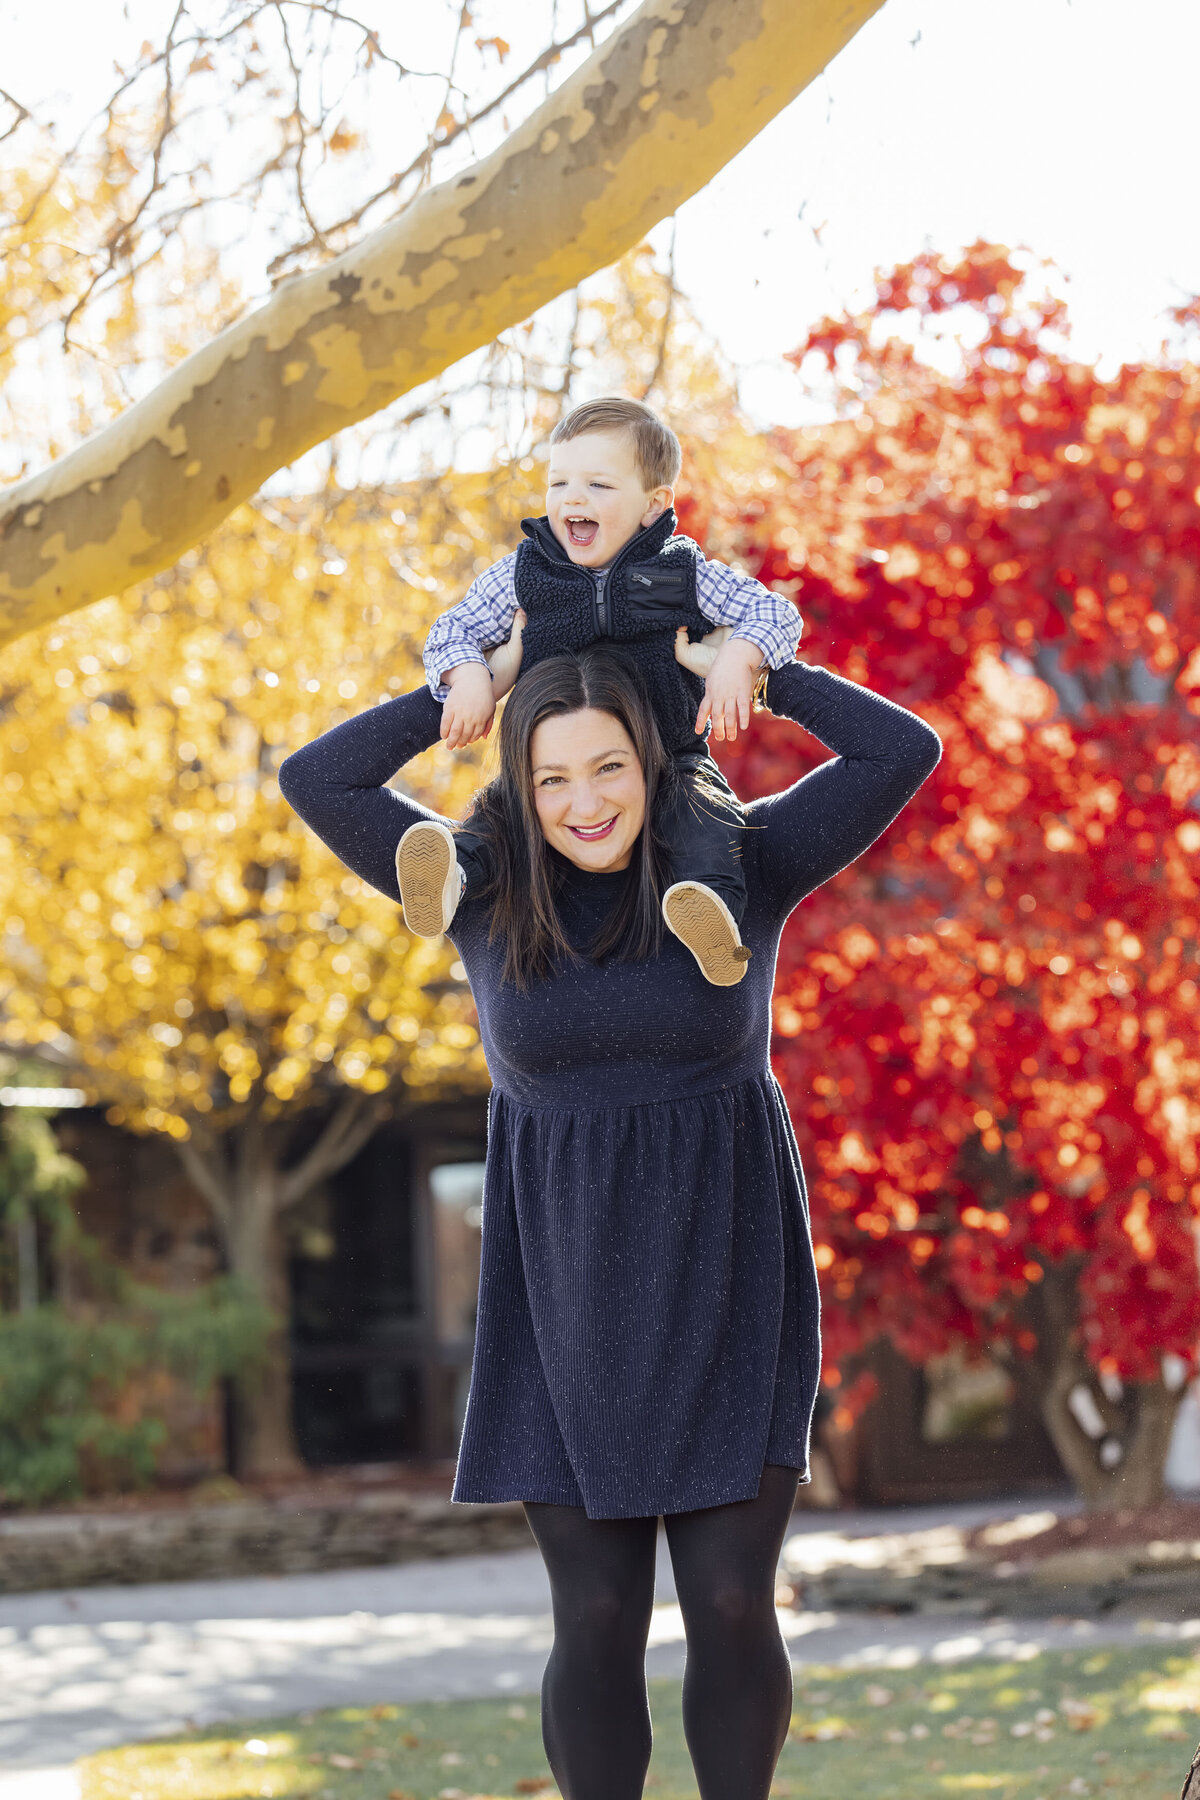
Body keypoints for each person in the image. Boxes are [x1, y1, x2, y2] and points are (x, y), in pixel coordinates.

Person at [279, 627, 940, 1800]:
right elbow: (316, 779)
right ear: (519, 786)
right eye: (552, 777)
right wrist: (462, 684)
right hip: (562, 1289)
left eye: (608, 769)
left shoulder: (738, 866)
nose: (583, 803)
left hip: (729, 1267)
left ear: (652, 762)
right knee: (593, 1615)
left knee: (733, 1601)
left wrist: (749, 671)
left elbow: (901, 751)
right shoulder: (474, 884)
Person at [396, 396, 803, 986]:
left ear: (653, 505)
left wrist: (739, 659)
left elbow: (773, 614)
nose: (573, 499)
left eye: (598, 484)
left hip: (672, 754)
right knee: (504, 813)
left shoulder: (675, 576)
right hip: (554, 764)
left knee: (705, 824)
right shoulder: (528, 574)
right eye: (559, 482)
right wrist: (467, 678)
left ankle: (711, 918)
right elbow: (451, 629)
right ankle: (450, 876)